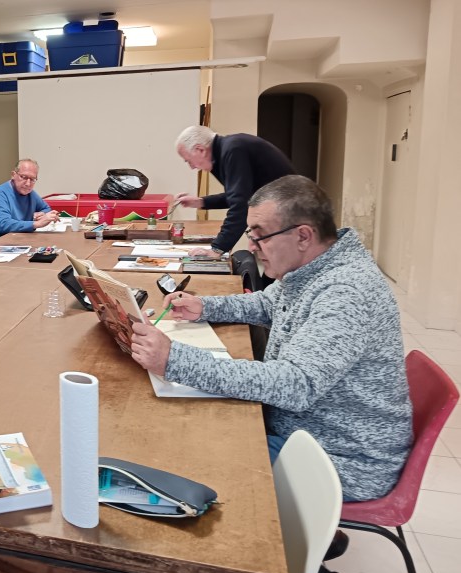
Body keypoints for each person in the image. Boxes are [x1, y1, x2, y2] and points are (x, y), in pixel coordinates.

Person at [130, 175, 412, 505]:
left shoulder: (345, 292)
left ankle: (295, 530)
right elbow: (268, 303)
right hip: (304, 431)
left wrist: (174, 360)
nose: (251, 246)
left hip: (340, 458)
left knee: (184, 453)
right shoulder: (316, 267)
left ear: (303, 236)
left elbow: (295, 384)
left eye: (259, 236)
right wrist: (205, 306)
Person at [173, 125, 294, 257]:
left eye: (189, 161)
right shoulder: (226, 149)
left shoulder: (233, 150)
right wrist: (201, 202)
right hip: (281, 212)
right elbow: (238, 195)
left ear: (200, 150)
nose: (192, 167)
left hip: (288, 215)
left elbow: (240, 204)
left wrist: (217, 248)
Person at [0, 159, 59, 235]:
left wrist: (41, 214)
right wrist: (37, 223)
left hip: (20, 237)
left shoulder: (30, 193)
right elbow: (3, 225)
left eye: (32, 179)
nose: (28, 184)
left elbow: (46, 208)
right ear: (13, 175)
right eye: (24, 177)